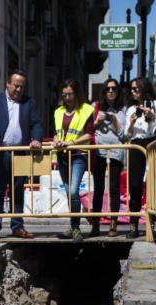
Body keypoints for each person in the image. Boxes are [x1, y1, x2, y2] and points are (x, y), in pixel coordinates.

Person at [0, 68, 44, 240]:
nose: (18, 90)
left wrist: (36, 138)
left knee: (17, 191)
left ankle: (17, 226)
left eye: (22, 87)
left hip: (20, 153)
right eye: (15, 86)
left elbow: (36, 123)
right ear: (7, 84)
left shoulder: (29, 103)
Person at [52, 78, 95, 243]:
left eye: (69, 94)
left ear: (76, 93)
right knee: (70, 194)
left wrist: (71, 143)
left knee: (73, 191)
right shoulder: (58, 111)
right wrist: (56, 140)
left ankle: (76, 228)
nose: (67, 97)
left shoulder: (86, 110)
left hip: (78, 155)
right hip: (62, 155)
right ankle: (73, 226)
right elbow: (56, 131)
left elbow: (89, 134)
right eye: (64, 95)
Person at [124, 76, 156, 238]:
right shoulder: (130, 109)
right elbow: (127, 134)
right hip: (135, 145)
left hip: (152, 143)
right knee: (134, 185)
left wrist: (153, 116)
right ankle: (133, 224)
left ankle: (151, 223)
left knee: (152, 184)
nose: (133, 92)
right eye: (131, 89)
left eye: (136, 88)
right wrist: (132, 122)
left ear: (143, 88)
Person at [90, 78, 127, 238]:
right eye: (108, 89)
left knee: (114, 189)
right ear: (104, 92)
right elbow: (88, 129)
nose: (111, 91)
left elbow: (124, 134)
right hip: (99, 152)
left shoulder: (123, 110)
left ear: (118, 92)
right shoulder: (95, 107)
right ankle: (96, 225)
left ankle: (113, 224)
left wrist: (114, 120)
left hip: (116, 153)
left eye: (114, 89)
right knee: (98, 189)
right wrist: (97, 122)